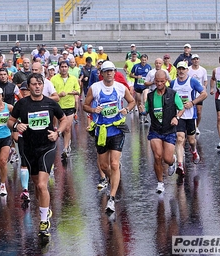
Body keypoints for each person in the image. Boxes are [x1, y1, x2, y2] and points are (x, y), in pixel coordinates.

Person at [8, 73, 68, 237]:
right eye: (33, 84)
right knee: (37, 184)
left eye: (39, 84)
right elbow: (10, 121)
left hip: (47, 147)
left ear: (43, 85)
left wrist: (58, 133)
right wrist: (17, 126)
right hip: (28, 147)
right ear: (29, 86)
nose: (36, 86)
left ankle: (43, 221)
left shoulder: (50, 103)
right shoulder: (22, 104)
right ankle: (45, 209)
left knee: (42, 185)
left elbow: (63, 120)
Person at [83, 61, 135, 212]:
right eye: (106, 71)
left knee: (114, 164)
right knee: (104, 166)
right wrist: (94, 110)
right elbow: (85, 106)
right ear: (102, 73)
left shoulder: (120, 88)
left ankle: (112, 198)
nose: (109, 73)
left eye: (111, 71)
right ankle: (114, 179)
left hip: (117, 129)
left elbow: (131, 102)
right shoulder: (95, 88)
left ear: (114, 72)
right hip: (101, 131)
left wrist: (126, 109)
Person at [145, 70, 184, 193]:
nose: (159, 83)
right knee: (157, 156)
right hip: (155, 130)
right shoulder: (151, 96)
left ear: (166, 81)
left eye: (162, 81)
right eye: (157, 81)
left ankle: (172, 161)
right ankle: (160, 182)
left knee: (166, 158)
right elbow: (145, 110)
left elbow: (181, 109)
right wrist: (142, 110)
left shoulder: (173, 94)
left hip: (169, 130)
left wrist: (176, 117)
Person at [170, 61, 207, 180]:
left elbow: (204, 94)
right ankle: (180, 165)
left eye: (183, 69)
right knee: (180, 138)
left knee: (191, 140)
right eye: (179, 69)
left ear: (187, 70)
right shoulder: (173, 83)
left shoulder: (192, 81)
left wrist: (192, 102)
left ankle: (194, 151)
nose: (181, 71)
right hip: (178, 116)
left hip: (190, 115)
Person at [50, 60, 80, 158]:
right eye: (62, 67)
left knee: (67, 127)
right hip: (58, 106)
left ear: (68, 68)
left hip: (70, 106)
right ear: (59, 68)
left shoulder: (73, 79)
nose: (64, 68)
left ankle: (66, 148)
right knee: (62, 128)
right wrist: (59, 94)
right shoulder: (54, 79)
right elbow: (51, 93)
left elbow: (78, 91)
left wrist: (72, 93)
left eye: (65, 66)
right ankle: (67, 140)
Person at [187, 54, 208, 135]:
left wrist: (204, 88)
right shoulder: (188, 70)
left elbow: (205, 81)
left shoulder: (203, 70)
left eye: (197, 59)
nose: (195, 61)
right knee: (190, 110)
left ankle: (196, 126)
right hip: (190, 93)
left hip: (199, 94)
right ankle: (190, 127)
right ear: (191, 60)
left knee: (199, 112)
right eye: (194, 59)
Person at [131, 54, 152, 123]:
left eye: (145, 60)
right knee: (139, 101)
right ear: (140, 59)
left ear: (147, 60)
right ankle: (140, 115)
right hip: (137, 86)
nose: (144, 61)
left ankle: (145, 116)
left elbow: (152, 75)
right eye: (143, 60)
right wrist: (137, 77)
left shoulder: (149, 67)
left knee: (145, 99)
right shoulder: (136, 66)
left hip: (145, 86)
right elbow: (131, 74)